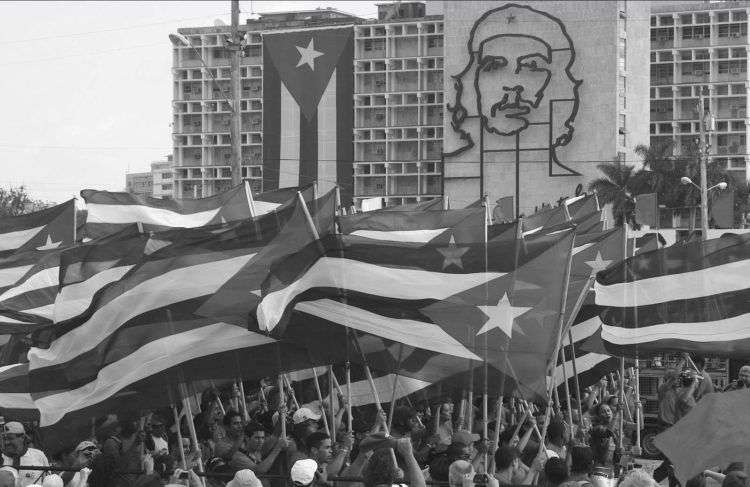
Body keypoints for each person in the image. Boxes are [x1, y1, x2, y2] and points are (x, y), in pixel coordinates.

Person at [1, 421, 49, 486]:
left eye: (10, 438)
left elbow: (48, 481)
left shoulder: (38, 456)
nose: (6, 442)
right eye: (4, 439)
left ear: (22, 437)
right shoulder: (1, 458)